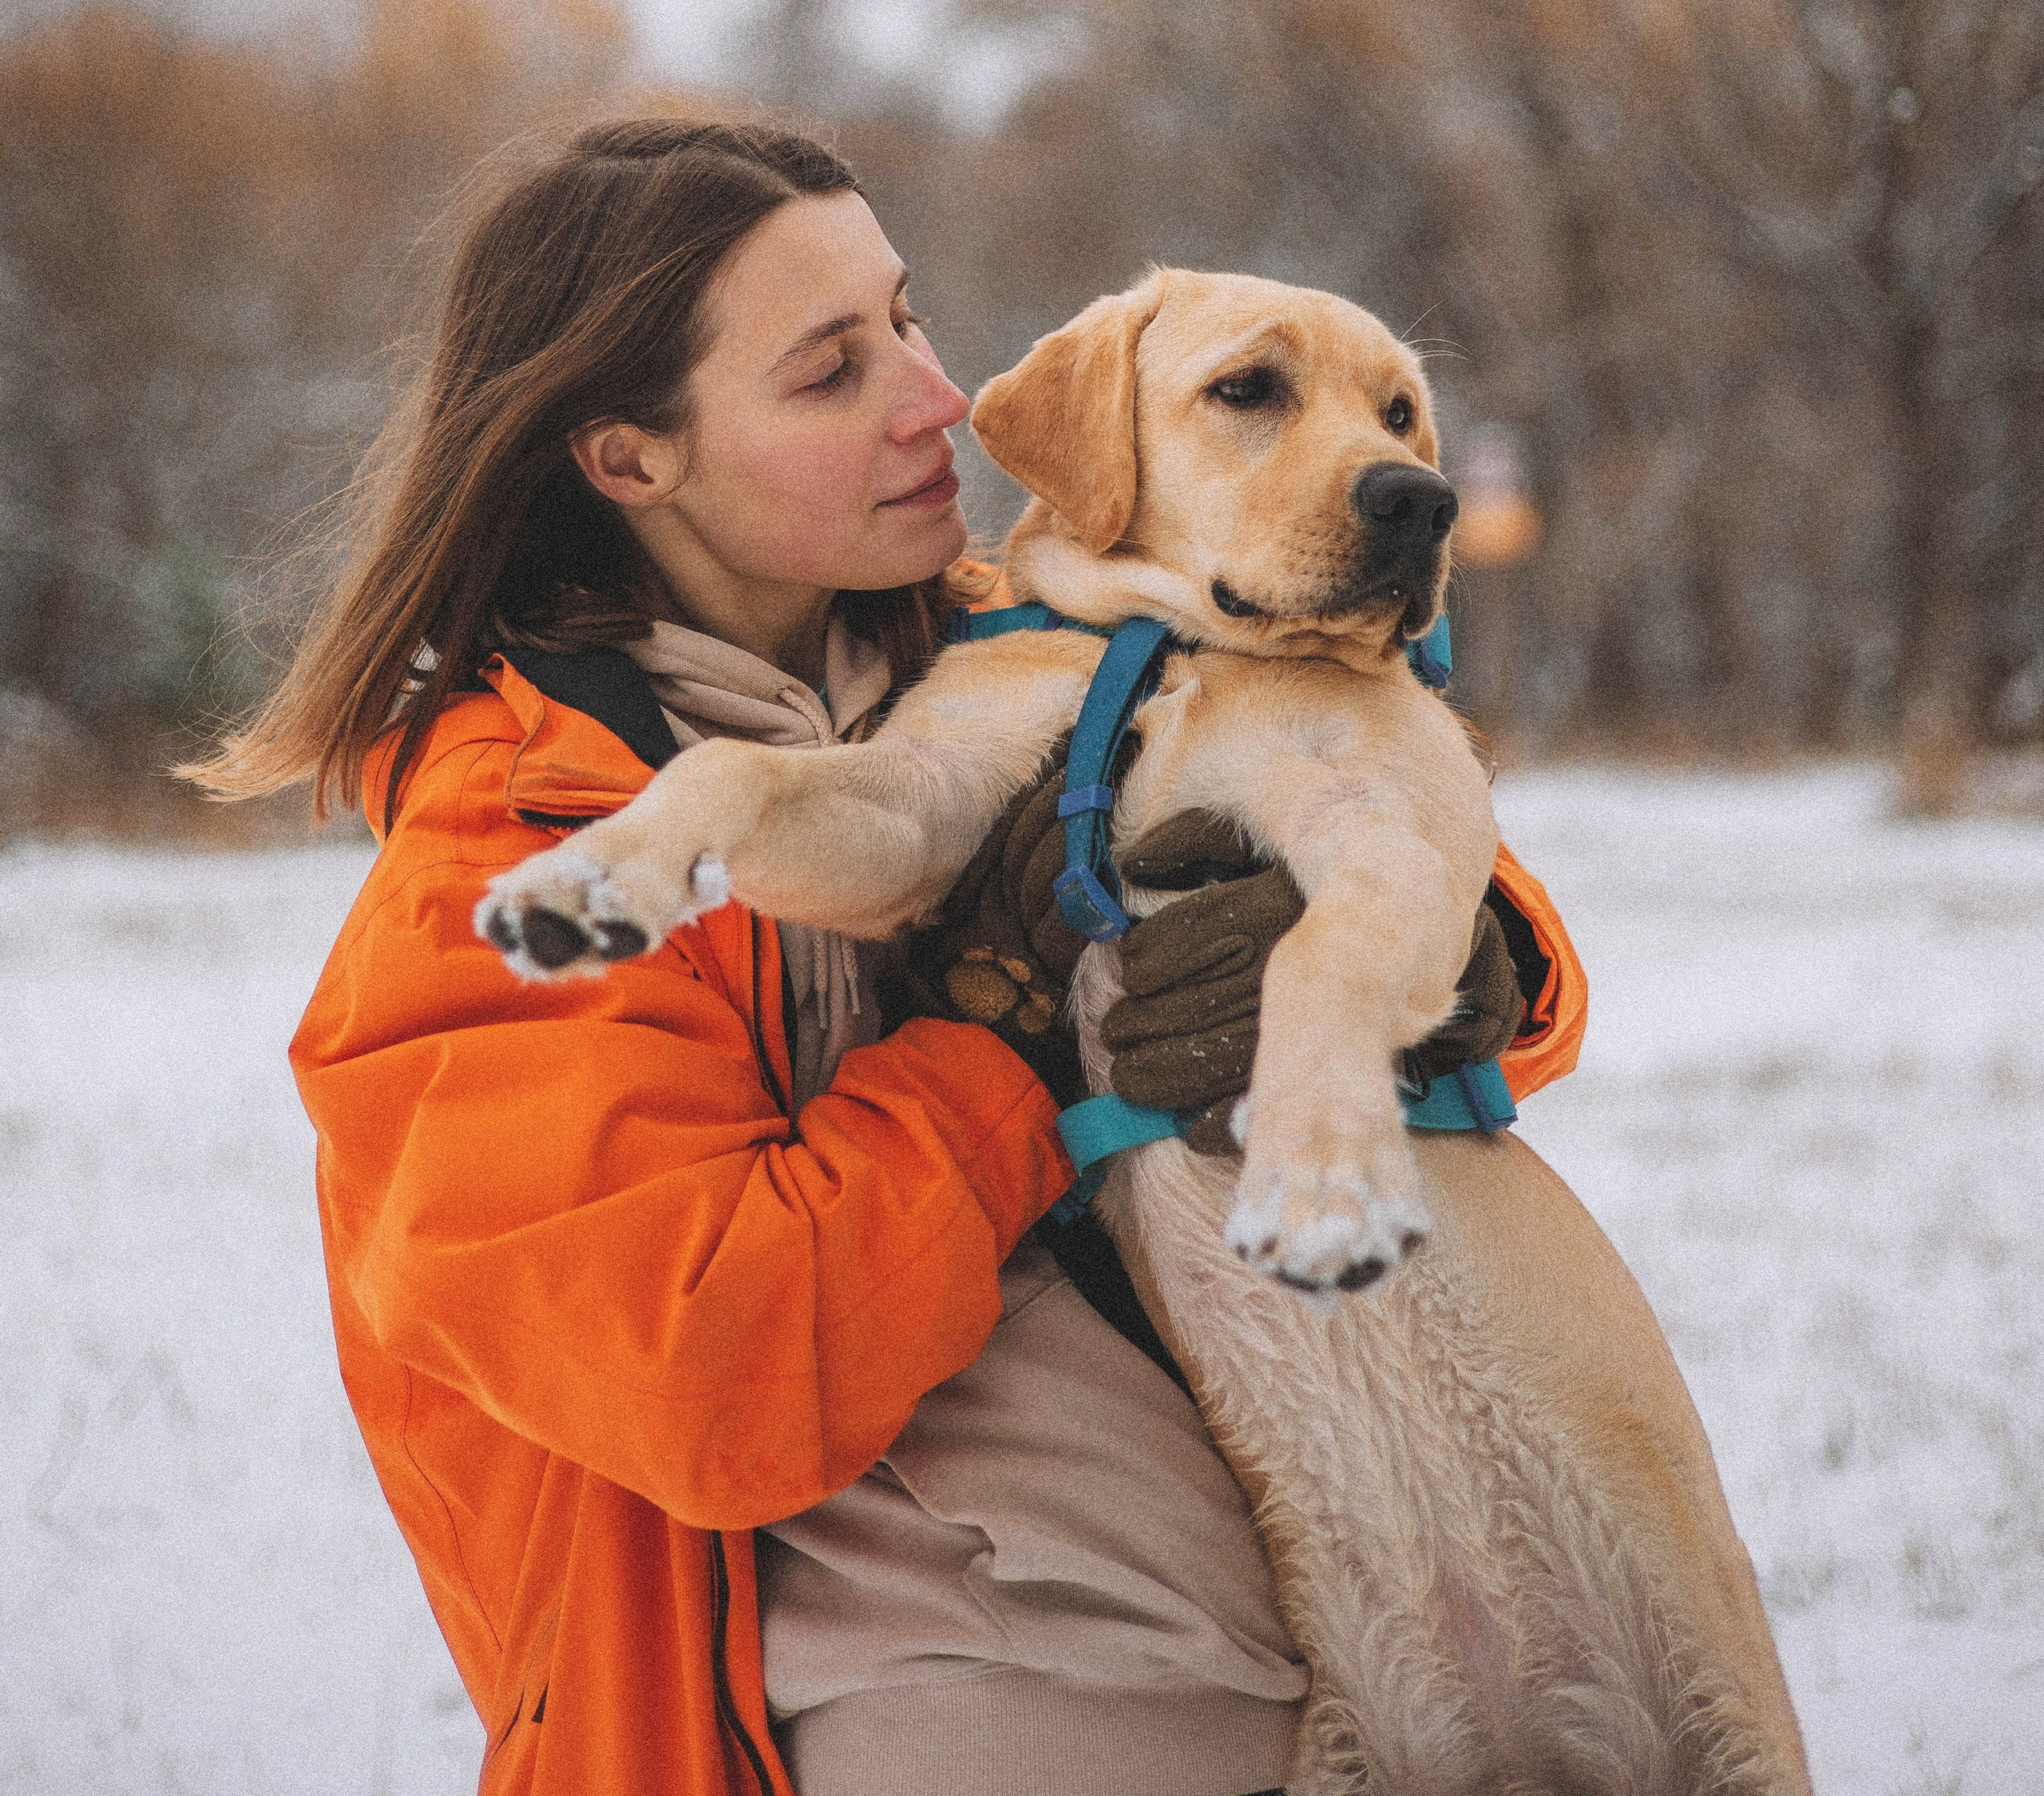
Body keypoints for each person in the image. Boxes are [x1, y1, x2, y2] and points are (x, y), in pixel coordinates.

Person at [195, 117, 1584, 1796]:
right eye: (829, 370)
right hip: (909, 1725)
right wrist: (1014, 1051)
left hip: (1331, 1651)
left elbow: (1384, 844)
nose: (937, 398)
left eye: (907, 319)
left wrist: (1481, 955)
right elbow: (718, 1378)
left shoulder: (1032, 644)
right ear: (628, 456)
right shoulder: (499, 884)